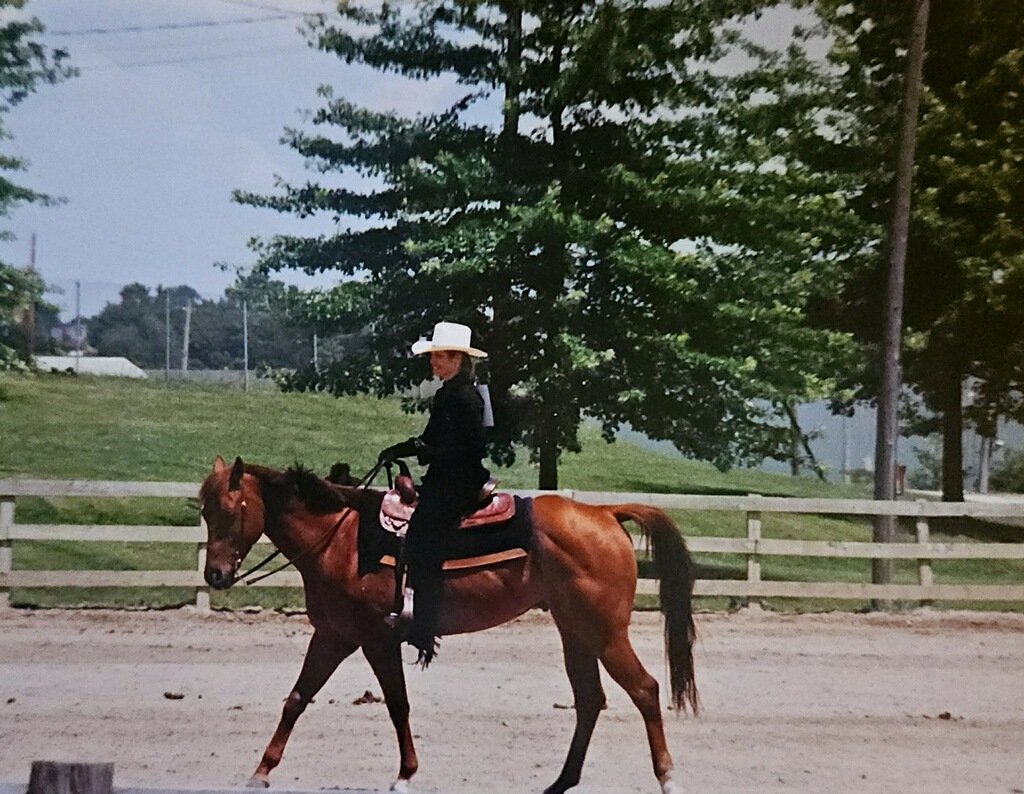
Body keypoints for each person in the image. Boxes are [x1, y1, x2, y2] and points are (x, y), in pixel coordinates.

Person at [377, 321, 490, 665]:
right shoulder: (453, 392)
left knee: (422, 534)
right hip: (447, 477)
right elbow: (432, 438)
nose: (433, 363)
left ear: (456, 359)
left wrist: (425, 453)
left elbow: (470, 448)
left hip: (459, 482)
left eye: (438, 357)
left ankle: (423, 623)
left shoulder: (464, 397)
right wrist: (403, 448)